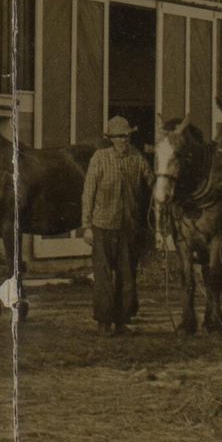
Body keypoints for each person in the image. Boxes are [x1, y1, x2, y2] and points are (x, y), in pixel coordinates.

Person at [80, 115, 151, 334]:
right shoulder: (99, 158)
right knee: (103, 277)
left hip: (128, 227)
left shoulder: (137, 158)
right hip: (102, 227)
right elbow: (88, 193)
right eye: (119, 137)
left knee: (127, 276)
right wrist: (87, 226)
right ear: (111, 139)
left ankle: (122, 321)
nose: (123, 140)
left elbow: (151, 181)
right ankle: (104, 322)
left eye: (127, 136)